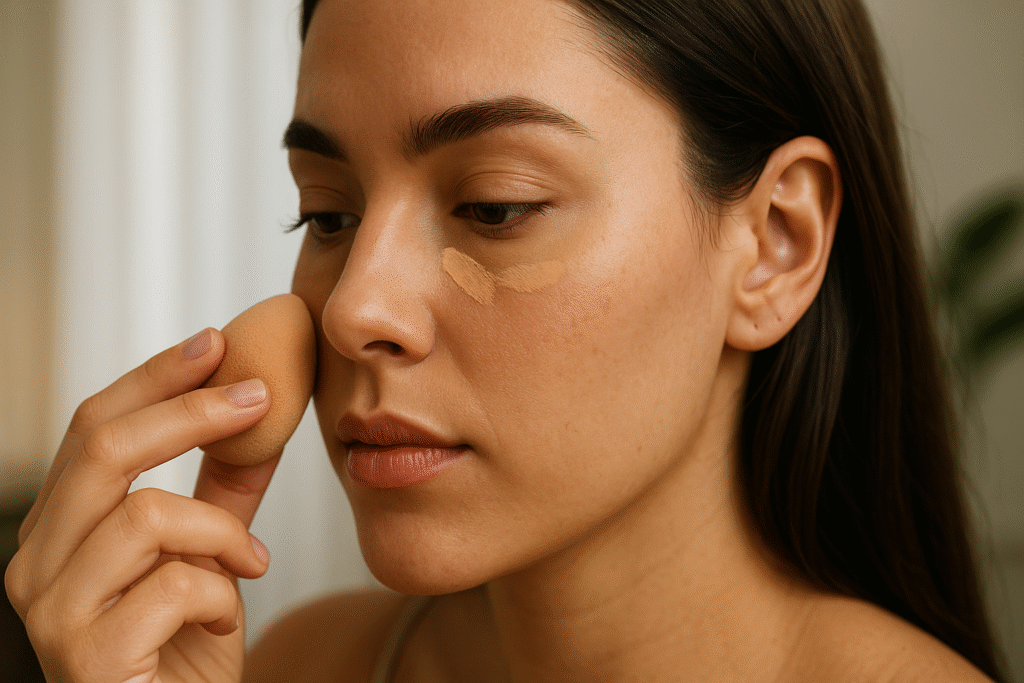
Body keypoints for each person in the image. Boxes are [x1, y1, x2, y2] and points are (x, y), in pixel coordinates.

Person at [5, 0, 1008, 681]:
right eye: (328, 213)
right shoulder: (309, 663)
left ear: (774, 246)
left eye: (496, 204)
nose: (354, 309)